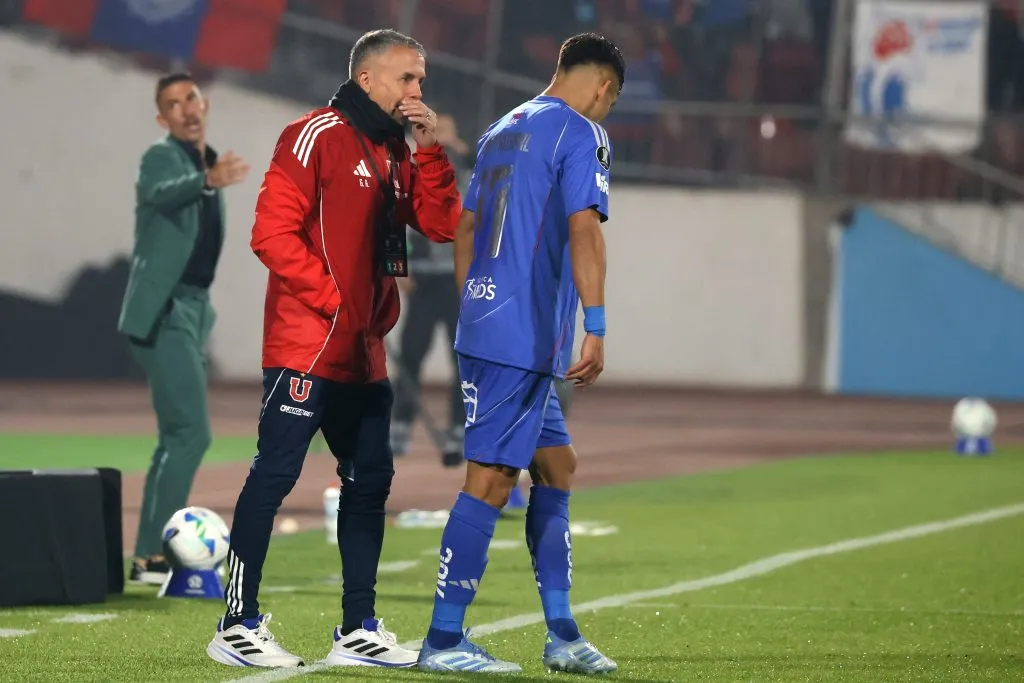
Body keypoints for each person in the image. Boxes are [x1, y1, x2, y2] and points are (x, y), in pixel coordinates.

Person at [204, 29, 461, 669]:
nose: (418, 91)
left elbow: (441, 224)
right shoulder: (313, 134)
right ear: (368, 79)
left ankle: (357, 629)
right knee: (275, 475)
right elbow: (270, 234)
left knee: (370, 480)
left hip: (364, 350)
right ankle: (236, 626)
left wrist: (431, 154)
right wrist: (334, 301)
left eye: (422, 80)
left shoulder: (398, 147)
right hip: (307, 344)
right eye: (408, 79)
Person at [415, 32, 624, 674]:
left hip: (496, 324)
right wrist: (596, 322)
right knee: (491, 481)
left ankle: (562, 633)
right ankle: (444, 641)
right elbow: (583, 227)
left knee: (556, 465)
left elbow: (466, 225)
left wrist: (476, 298)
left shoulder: (503, 128)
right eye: (609, 101)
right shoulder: (580, 132)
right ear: (604, 88)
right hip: (525, 335)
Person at [117, 73, 249, 586]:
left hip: (194, 309)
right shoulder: (164, 158)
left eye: (191, 97)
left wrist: (208, 175)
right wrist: (207, 181)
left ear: (205, 102)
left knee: (175, 437)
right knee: (192, 433)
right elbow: (160, 192)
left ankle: (149, 555)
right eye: (173, 104)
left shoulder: (205, 157)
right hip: (165, 310)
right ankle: (152, 555)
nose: (186, 109)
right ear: (162, 119)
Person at [390, 113, 472, 467]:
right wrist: (398, 271)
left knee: (463, 358)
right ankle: (400, 424)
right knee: (411, 352)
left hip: (455, 279)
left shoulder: (467, 173)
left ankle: (459, 427)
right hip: (422, 279)